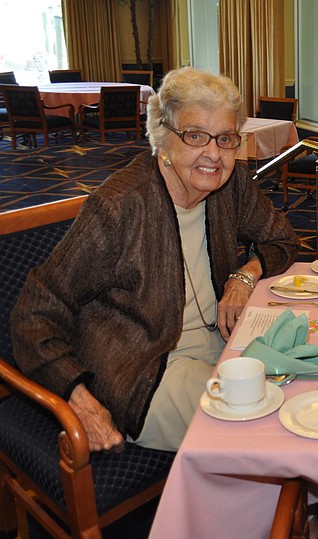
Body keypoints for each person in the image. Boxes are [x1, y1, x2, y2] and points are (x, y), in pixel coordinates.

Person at [10, 67, 300, 453]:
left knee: (303, 391)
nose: (214, 154)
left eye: (226, 138)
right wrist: (78, 400)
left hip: (223, 343)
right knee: (266, 435)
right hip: (144, 368)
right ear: (163, 137)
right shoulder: (119, 207)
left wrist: (245, 275)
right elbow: (33, 313)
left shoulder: (232, 187)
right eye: (195, 135)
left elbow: (283, 239)